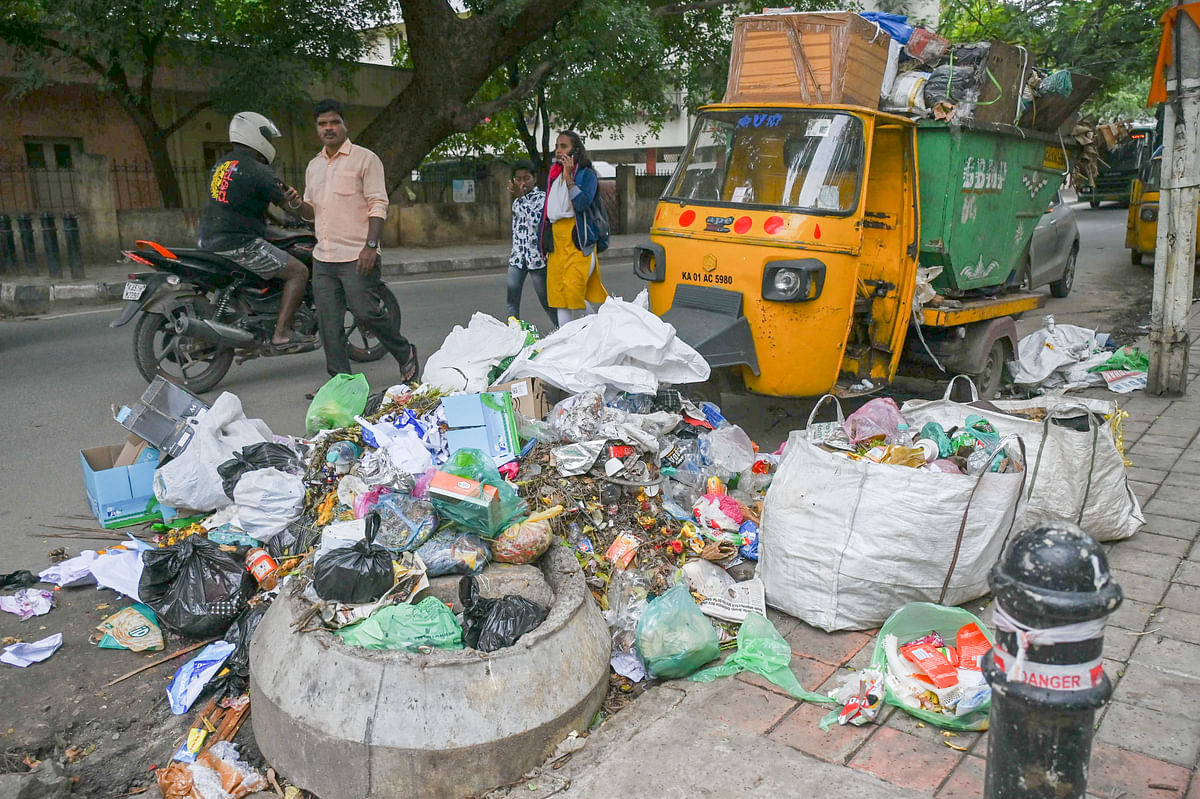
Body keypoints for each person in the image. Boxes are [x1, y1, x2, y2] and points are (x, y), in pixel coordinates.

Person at [285, 98, 418, 382]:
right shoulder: (314, 166)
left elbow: (378, 204)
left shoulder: (365, 159)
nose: (329, 128)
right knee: (329, 325)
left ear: (345, 125)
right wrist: (297, 204)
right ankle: (341, 384)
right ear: (317, 128)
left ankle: (404, 351)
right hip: (324, 257)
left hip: (358, 254)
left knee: (366, 311)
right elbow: (311, 213)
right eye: (323, 124)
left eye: (334, 122)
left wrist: (370, 246)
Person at [198, 111, 312, 350]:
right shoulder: (259, 171)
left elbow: (246, 202)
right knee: (299, 272)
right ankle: (282, 333)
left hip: (209, 238)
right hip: (238, 243)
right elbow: (294, 209)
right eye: (268, 137)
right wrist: (299, 207)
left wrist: (275, 220)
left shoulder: (222, 164)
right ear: (257, 136)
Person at [537, 130, 608, 327]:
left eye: (564, 146)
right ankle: (565, 338)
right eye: (557, 146)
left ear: (576, 150)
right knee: (559, 296)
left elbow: (583, 202)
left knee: (574, 293)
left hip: (578, 239)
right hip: (557, 242)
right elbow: (547, 212)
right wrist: (541, 242)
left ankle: (598, 328)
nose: (558, 151)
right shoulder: (553, 176)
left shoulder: (587, 175)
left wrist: (569, 178)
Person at [506, 161, 555, 329]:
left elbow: (536, 222)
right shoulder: (516, 202)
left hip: (537, 259)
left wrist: (521, 197)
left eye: (526, 178)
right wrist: (519, 198)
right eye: (518, 179)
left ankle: (562, 330)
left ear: (534, 178)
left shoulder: (541, 198)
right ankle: (514, 336)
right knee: (512, 302)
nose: (522, 183)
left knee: (546, 301)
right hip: (517, 259)